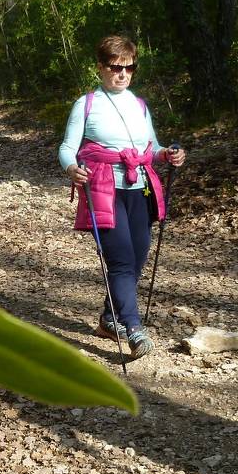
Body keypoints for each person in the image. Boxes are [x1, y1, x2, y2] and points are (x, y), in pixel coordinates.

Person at [59, 34, 186, 359]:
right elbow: (67, 148)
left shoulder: (139, 105)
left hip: (138, 188)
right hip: (103, 189)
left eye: (129, 68)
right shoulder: (87, 104)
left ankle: (108, 318)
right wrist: (72, 169)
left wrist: (167, 155)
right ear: (101, 68)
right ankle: (133, 328)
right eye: (116, 67)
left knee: (139, 255)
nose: (123, 74)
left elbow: (151, 147)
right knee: (120, 260)